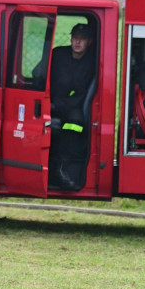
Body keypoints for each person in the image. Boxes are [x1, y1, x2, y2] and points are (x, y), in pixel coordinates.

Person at [48, 22, 96, 190]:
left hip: (72, 106)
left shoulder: (92, 63)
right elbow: (39, 75)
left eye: (82, 39)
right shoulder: (57, 55)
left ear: (89, 42)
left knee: (74, 125)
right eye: (75, 38)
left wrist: (58, 105)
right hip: (49, 102)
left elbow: (81, 94)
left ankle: (61, 168)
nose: (77, 42)